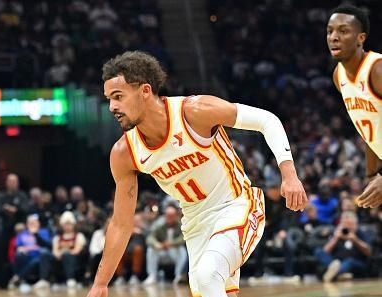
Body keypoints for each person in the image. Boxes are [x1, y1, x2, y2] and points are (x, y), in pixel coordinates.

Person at [87, 51, 308, 297]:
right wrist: (100, 283)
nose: (112, 107)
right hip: (195, 225)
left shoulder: (194, 111)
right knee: (212, 287)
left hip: (237, 205)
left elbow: (267, 120)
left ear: (145, 91)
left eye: (118, 97)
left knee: (207, 276)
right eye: (109, 99)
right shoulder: (124, 153)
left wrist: (289, 175)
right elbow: (121, 223)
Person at [327, 4, 382, 209]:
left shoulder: (377, 70)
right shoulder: (338, 76)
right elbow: (370, 132)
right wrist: (371, 175)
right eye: (330, 31)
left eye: (343, 31)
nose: (334, 37)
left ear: (361, 38)